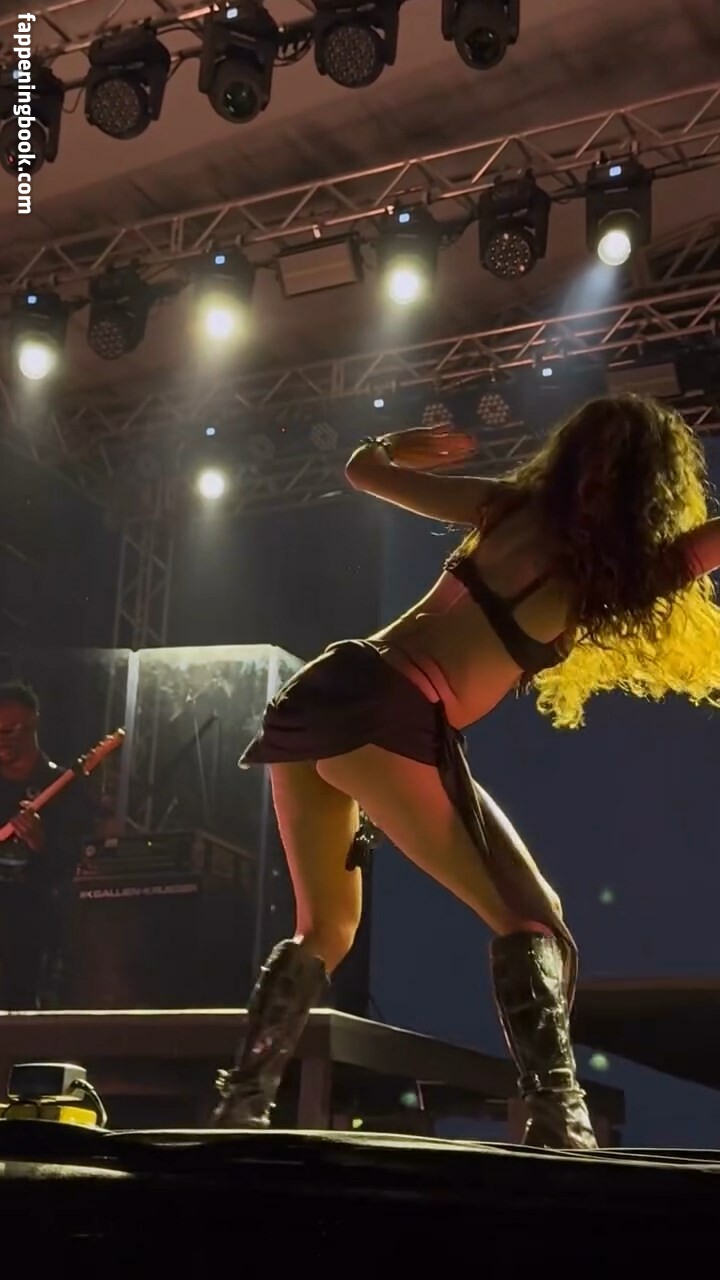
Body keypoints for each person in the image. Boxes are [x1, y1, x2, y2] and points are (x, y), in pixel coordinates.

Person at [212, 394, 720, 1147]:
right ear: (655, 488)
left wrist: (396, 443)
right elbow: (706, 547)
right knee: (531, 918)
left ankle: (241, 1105)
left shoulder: (506, 507)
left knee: (325, 927)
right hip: (392, 712)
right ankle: (557, 1114)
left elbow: (362, 470)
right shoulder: (616, 570)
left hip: (323, 688)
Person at [0, 682, 108, 1010]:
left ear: (33, 723)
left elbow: (80, 863)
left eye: (9, 730)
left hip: (33, 929)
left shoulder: (64, 788)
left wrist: (39, 840)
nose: (1, 739)